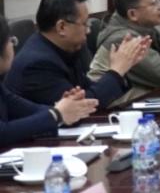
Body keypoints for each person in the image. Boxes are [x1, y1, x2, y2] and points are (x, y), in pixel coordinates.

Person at [4, 0, 149, 110]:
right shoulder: (37, 65)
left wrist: (124, 66)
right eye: (85, 24)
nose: (88, 30)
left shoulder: (67, 49)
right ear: (62, 27)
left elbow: (88, 91)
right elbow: (83, 107)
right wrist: (117, 71)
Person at [0, 17, 99, 149]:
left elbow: (25, 109)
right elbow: (3, 132)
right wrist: (56, 115)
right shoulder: (37, 61)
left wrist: (65, 109)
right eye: (11, 41)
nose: (12, 46)